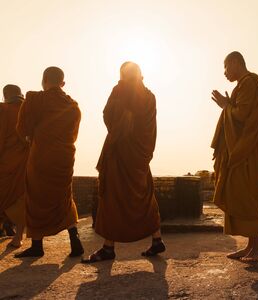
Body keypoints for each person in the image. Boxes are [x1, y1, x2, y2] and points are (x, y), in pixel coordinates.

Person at [82, 61, 165, 263]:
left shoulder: (119, 91)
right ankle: (157, 240)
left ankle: (108, 248)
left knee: (112, 197)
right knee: (144, 197)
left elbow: (108, 117)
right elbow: (149, 127)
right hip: (140, 154)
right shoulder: (149, 96)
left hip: (120, 153)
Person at [15, 67, 84, 258]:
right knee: (64, 196)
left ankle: (37, 245)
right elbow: (73, 135)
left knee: (36, 197)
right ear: (62, 83)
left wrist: (32, 139)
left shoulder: (34, 100)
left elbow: (22, 130)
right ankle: (74, 239)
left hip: (41, 156)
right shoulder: (73, 106)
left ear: (44, 80)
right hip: (64, 157)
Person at [211, 51, 258, 262]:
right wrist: (228, 104)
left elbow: (242, 115)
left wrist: (226, 106)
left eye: (226, 67)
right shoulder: (242, 85)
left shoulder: (249, 82)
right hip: (243, 147)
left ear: (236, 63)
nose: (225, 72)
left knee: (246, 193)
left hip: (249, 147)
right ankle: (251, 245)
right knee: (241, 192)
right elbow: (238, 112)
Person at [0, 85, 28, 248]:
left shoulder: (3, 110)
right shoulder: (29, 110)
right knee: (20, 198)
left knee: (2, 196)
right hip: (25, 161)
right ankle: (18, 237)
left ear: (5, 96)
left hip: (6, 162)